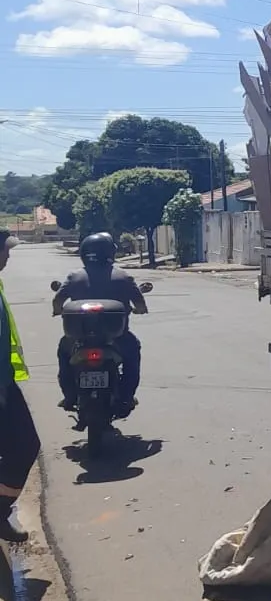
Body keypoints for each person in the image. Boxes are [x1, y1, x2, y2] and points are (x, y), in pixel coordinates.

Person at [52, 232, 148, 418]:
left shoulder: (75, 276)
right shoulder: (123, 277)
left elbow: (58, 300)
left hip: (79, 339)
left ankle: (70, 396)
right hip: (117, 338)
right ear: (110, 252)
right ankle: (126, 396)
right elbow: (140, 303)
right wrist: (140, 310)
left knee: (64, 354)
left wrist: (58, 311)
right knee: (132, 355)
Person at [0, 229, 39, 543]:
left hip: (5, 382)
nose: (8, 256)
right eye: (4, 250)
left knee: (23, 446)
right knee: (24, 445)